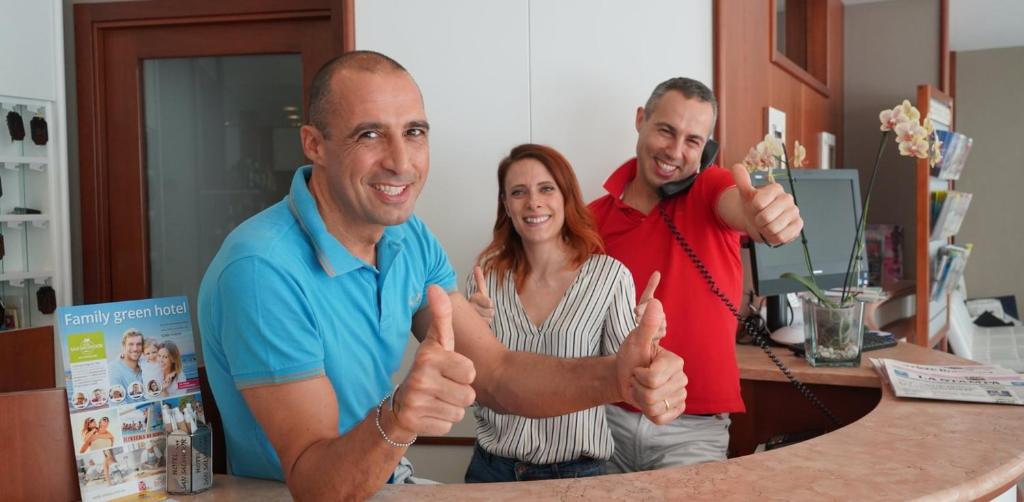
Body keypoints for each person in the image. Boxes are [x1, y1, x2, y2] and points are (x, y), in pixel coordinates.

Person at [198, 51, 686, 500]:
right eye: (369, 134)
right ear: (314, 145)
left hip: (385, 482)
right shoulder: (262, 270)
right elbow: (313, 481)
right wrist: (402, 414)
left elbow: (495, 372)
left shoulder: (407, 237)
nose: (401, 161)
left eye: (414, 132)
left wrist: (618, 377)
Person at [588, 77, 803, 471]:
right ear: (641, 120)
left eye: (692, 141)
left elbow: (740, 205)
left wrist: (765, 218)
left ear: (706, 149)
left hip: (692, 431)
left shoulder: (710, 188)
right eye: (666, 131)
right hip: (604, 424)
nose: (675, 151)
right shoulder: (591, 218)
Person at [463, 144, 638, 482]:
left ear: (566, 197)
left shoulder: (610, 276)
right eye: (518, 192)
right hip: (493, 471)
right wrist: (465, 337)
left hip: (578, 476)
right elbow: (473, 388)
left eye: (546, 188)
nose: (533, 203)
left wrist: (644, 344)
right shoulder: (485, 279)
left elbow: (625, 378)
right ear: (506, 206)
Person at [109, 329, 145, 402]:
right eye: (131, 344)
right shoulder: (113, 369)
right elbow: (118, 403)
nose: (135, 349)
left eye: (139, 344)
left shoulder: (145, 366)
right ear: (123, 345)